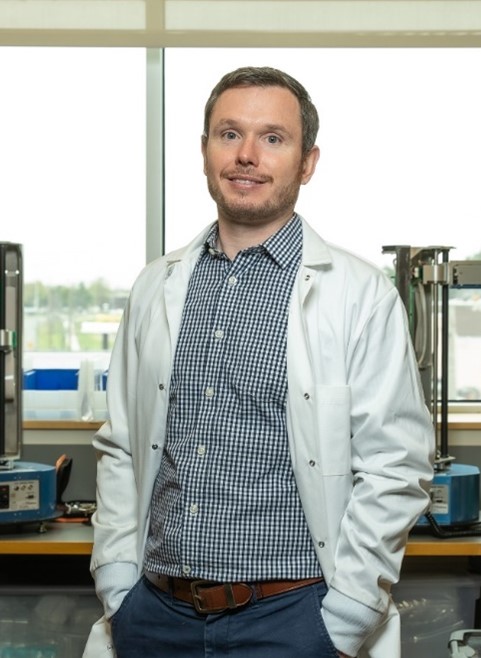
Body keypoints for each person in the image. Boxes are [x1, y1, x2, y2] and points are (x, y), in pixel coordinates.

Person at [83, 66, 434, 658]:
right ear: (203, 152)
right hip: (153, 618)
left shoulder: (358, 294)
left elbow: (396, 467)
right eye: (229, 134)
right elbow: (121, 446)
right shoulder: (155, 286)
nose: (247, 155)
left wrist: (343, 619)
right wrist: (119, 584)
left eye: (273, 138)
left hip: (296, 620)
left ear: (307, 162)